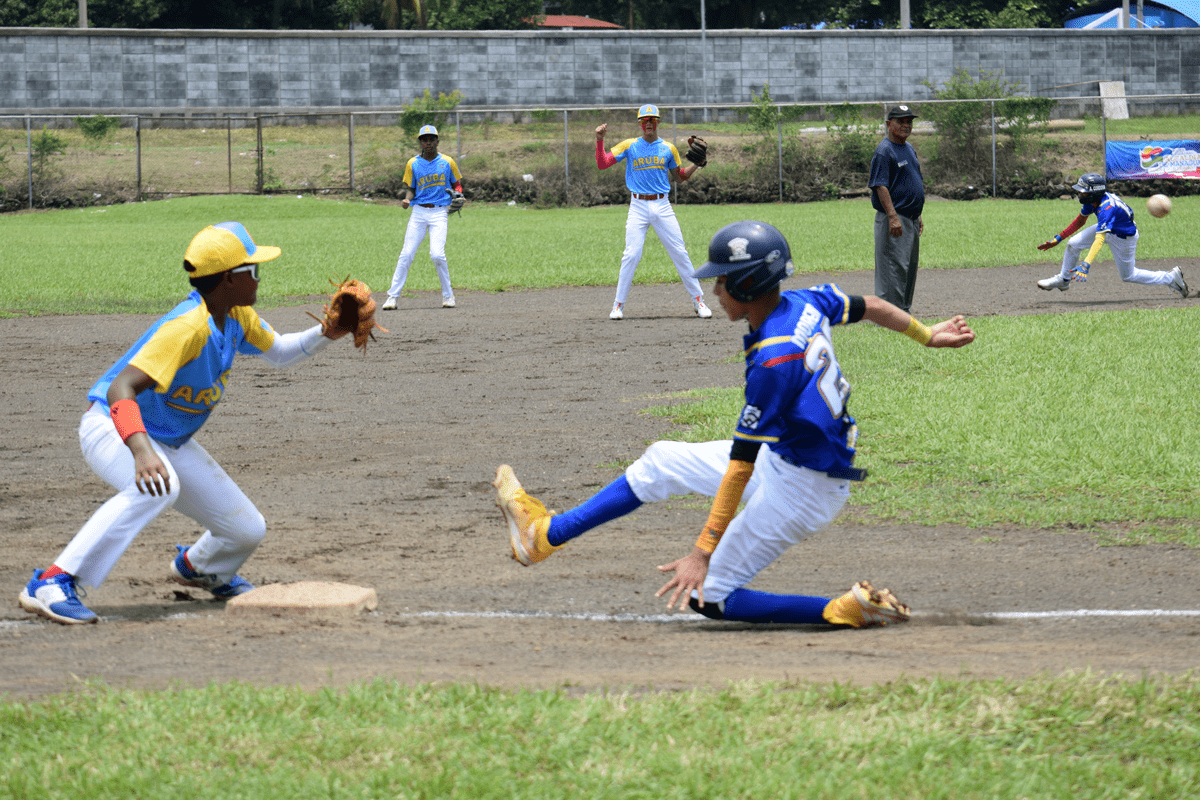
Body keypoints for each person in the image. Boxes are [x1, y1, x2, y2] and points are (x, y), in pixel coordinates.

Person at [493, 220, 976, 628]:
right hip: (789, 460)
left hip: (804, 489)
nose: (715, 289)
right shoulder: (804, 302)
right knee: (661, 461)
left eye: (723, 280)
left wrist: (701, 551)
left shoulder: (772, 362)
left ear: (747, 286)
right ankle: (542, 538)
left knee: (710, 596)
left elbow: (739, 467)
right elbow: (870, 305)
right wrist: (925, 334)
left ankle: (843, 610)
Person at [18, 222, 361, 625]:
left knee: (245, 530)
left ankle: (202, 568)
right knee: (158, 486)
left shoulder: (237, 317)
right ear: (230, 279)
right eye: (253, 269)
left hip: (165, 441)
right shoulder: (187, 326)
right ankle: (54, 581)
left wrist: (329, 332)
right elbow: (121, 389)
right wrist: (142, 451)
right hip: (114, 429)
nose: (259, 276)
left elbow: (282, 352)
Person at [595, 103, 713, 321]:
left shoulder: (668, 148)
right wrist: (599, 140)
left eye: (652, 120)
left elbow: (680, 177)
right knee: (631, 254)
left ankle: (699, 301)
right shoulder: (629, 145)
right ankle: (618, 305)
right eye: (645, 120)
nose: (648, 123)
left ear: (658, 122)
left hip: (662, 205)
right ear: (640, 124)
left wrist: (697, 164)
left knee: (679, 252)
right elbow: (602, 163)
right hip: (638, 206)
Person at [1035, 172, 1188, 298]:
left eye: (1083, 190)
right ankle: (1064, 280)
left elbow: (1099, 239)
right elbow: (1080, 221)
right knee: (1073, 244)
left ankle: (1171, 278)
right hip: (1107, 228)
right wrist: (1058, 238)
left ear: (1094, 192)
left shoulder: (1107, 208)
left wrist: (1086, 264)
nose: (1080, 193)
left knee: (1128, 275)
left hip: (1124, 238)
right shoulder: (1091, 200)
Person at [382, 124, 464, 310]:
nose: (428, 142)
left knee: (437, 254)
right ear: (420, 142)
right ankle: (392, 297)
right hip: (418, 212)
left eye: (431, 139)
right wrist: (406, 200)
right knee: (406, 254)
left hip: (439, 212)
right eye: (424, 139)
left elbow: (456, 184)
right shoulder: (413, 163)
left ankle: (448, 296)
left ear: (437, 141)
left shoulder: (447, 162)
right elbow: (411, 188)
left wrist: (460, 194)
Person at [869, 105, 925, 314]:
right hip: (894, 218)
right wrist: (893, 216)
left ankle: (903, 310)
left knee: (908, 267)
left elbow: (910, 182)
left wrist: (917, 213)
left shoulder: (908, 148)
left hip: (909, 217)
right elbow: (880, 185)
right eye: (900, 121)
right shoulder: (884, 151)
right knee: (892, 267)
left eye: (909, 121)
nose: (906, 125)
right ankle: (889, 314)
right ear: (888, 124)